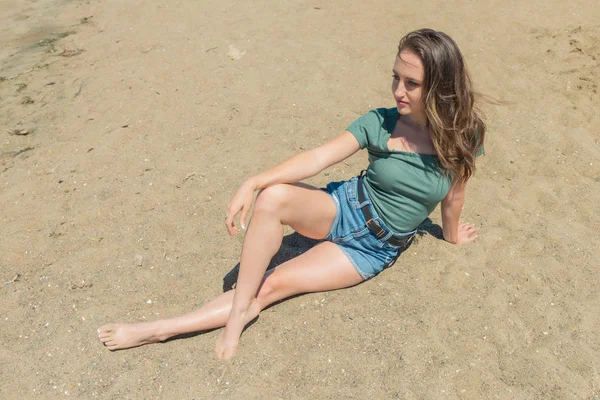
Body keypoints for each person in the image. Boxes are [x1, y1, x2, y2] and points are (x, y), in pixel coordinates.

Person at [98, 28, 485, 359]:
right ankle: (226, 316)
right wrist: (254, 181)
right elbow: (317, 158)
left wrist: (451, 236)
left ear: (440, 85)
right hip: (343, 206)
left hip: (371, 250)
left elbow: (453, 196)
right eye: (395, 78)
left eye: (411, 83)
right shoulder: (380, 122)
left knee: (272, 286)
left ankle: (164, 328)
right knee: (273, 197)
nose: (398, 90)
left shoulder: (464, 134)